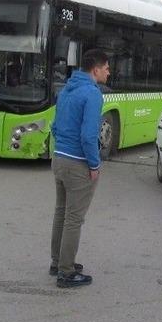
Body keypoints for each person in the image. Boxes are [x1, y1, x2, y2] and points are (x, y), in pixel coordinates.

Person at [49, 49, 109, 288]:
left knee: (61, 212)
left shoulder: (66, 90)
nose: (108, 72)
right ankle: (66, 272)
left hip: (59, 158)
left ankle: (57, 262)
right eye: (106, 68)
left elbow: (55, 126)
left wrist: (63, 147)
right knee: (74, 218)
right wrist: (94, 164)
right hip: (78, 163)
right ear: (96, 69)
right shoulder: (92, 94)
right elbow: (88, 135)